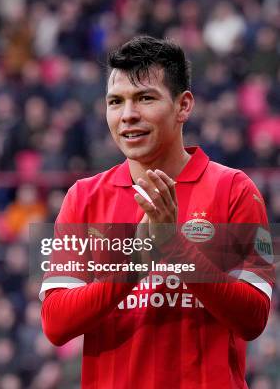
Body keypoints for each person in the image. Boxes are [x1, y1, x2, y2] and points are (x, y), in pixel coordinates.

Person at [40, 36, 275, 388]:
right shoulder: (84, 198)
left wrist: (175, 248)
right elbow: (56, 324)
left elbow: (253, 319)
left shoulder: (235, 191)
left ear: (183, 106)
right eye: (115, 102)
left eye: (145, 98)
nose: (128, 114)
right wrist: (134, 265)